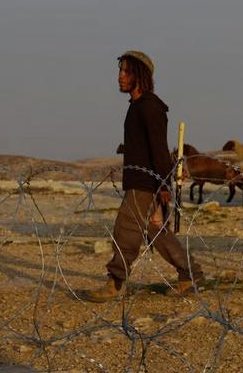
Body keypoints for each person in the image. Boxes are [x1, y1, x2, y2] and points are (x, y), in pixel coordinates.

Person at [82, 50, 203, 302]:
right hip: (144, 180)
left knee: (125, 229)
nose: (120, 76)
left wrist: (163, 184)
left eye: (126, 71)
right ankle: (190, 274)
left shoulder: (149, 107)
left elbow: (159, 148)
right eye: (120, 70)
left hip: (145, 183)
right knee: (157, 231)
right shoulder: (137, 106)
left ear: (140, 75)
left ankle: (116, 282)